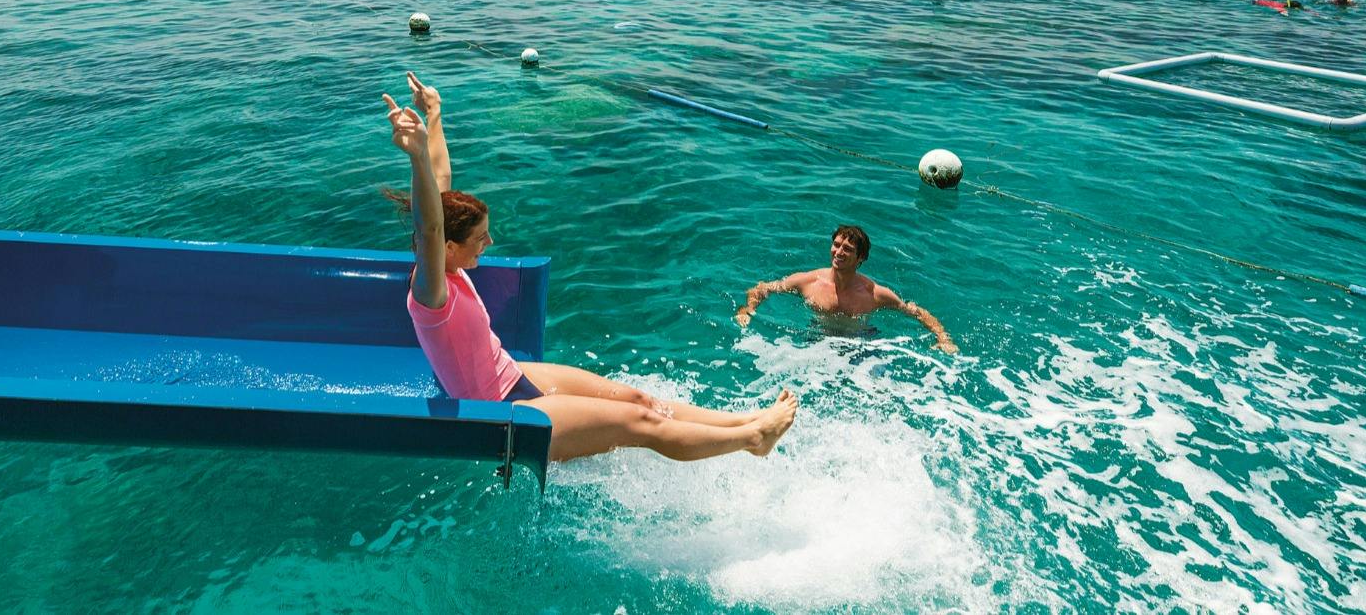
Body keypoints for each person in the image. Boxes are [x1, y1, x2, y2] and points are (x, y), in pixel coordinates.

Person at [383, 71, 797, 463]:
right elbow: (429, 224)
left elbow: (441, 184)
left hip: (509, 373)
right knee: (643, 423)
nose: (489, 244)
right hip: (499, 410)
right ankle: (753, 440)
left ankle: (747, 419)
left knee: (638, 400)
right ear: (447, 246)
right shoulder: (432, 293)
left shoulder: (452, 268)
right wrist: (415, 157)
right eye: (479, 239)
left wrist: (433, 114)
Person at [734, 225, 959, 354]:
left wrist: (942, 337)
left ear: (860, 258)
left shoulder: (874, 294)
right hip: (817, 338)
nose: (839, 252)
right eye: (836, 245)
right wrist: (747, 309)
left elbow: (914, 311)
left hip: (861, 342)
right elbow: (764, 288)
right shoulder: (808, 281)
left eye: (848, 249)